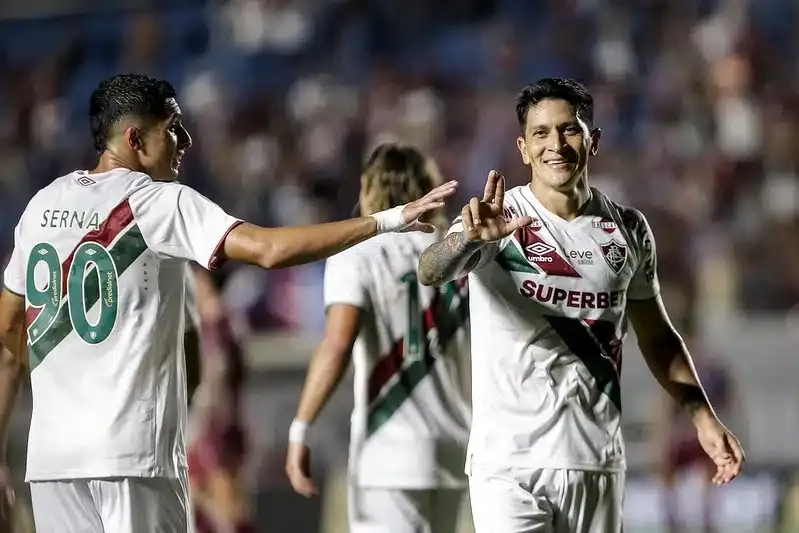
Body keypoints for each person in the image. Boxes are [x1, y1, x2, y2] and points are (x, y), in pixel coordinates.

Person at [0, 73, 458, 533]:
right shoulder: (160, 202)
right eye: (172, 127)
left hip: (53, 463)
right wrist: (384, 221)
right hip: (132, 458)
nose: (186, 139)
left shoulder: (41, 206)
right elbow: (268, 250)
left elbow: (7, 338)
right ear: (135, 137)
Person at [416, 77, 745, 533]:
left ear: (593, 141)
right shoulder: (498, 219)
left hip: (596, 460)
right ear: (523, 148)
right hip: (509, 466)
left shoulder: (628, 229)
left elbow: (657, 335)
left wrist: (702, 416)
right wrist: (466, 240)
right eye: (541, 133)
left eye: (569, 130)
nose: (556, 144)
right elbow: (430, 270)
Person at [285, 143, 472, 533]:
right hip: (455, 445)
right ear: (429, 186)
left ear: (367, 188)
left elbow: (337, 344)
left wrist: (301, 427)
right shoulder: (458, 253)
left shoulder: (356, 253)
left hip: (389, 449)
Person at [187, 267, 255, 533]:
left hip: (214, 426)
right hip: (230, 420)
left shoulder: (213, 324)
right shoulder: (233, 322)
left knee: (221, 506)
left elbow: (216, 375)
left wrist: (200, 425)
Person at [653, 326, 741, 533]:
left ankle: (705, 520)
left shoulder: (715, 372)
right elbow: (664, 411)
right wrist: (659, 441)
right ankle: (674, 518)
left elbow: (731, 405)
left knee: (710, 471)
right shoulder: (677, 374)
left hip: (707, 436)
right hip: (686, 435)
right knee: (668, 470)